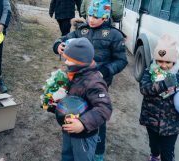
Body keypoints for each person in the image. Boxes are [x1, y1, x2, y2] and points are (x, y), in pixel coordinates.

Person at [52, 0, 128, 160]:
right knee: (74, 108)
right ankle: (73, 140)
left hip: (98, 82)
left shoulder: (114, 35)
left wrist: (105, 71)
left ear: (106, 16)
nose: (92, 19)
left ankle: (97, 152)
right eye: (90, 15)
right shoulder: (82, 30)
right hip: (77, 82)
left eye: (97, 16)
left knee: (97, 113)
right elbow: (65, 38)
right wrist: (58, 45)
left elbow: (122, 60)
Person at [55, 37, 112, 161]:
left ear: (79, 62)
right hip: (70, 128)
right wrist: (56, 104)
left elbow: (104, 108)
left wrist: (83, 123)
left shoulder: (94, 82)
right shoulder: (75, 73)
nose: (66, 62)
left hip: (84, 135)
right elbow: (72, 98)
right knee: (67, 155)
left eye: (68, 60)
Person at [139, 35, 179, 161]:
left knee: (167, 153)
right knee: (154, 146)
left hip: (171, 124)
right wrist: (162, 85)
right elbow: (144, 89)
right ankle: (154, 155)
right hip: (152, 120)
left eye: (168, 62)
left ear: (174, 61)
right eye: (160, 61)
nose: (164, 65)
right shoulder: (149, 72)